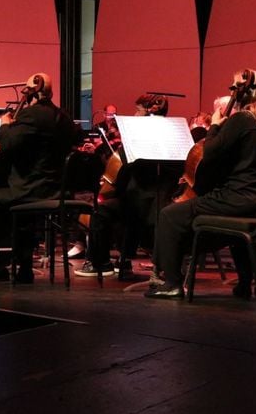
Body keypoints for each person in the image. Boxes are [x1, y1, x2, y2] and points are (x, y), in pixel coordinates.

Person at [146, 69, 256, 299]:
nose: (232, 91)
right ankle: (245, 283)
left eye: (234, 87)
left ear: (243, 92)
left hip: (238, 199)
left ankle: (172, 283)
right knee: (230, 227)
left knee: (169, 215)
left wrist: (214, 125)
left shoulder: (243, 119)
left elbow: (211, 153)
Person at [0, 72, 77, 284]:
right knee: (11, 210)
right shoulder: (64, 118)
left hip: (31, 190)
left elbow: (7, 145)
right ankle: (24, 267)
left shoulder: (31, 115)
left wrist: (5, 124)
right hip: (56, 190)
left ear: (32, 92)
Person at [76, 94, 179, 279]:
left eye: (138, 110)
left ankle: (100, 263)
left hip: (140, 205)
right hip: (165, 203)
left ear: (148, 112)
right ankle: (124, 261)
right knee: (125, 207)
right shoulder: (175, 137)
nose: (135, 114)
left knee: (102, 210)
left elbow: (122, 174)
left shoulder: (137, 139)